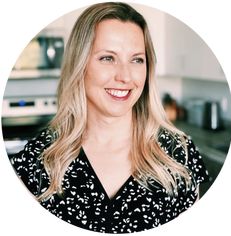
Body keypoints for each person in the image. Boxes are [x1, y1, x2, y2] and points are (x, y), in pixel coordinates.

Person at [10, 2, 209, 233]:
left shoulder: (178, 154)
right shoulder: (39, 159)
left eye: (136, 60)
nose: (125, 76)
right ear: (79, 64)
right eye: (107, 58)